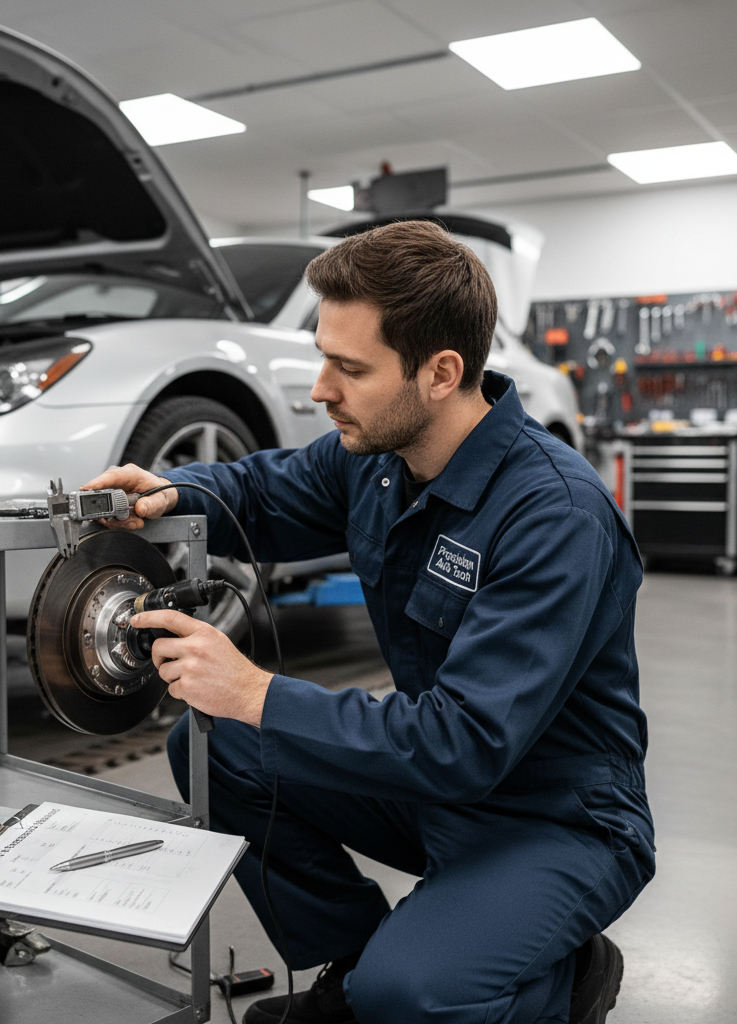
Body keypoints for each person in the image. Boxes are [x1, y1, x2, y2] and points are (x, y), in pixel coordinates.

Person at [84, 221, 655, 1024]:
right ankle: (351, 967)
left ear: (440, 372)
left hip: (556, 815)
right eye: (324, 357)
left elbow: (464, 743)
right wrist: (176, 490)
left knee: (414, 993)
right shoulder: (379, 461)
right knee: (214, 748)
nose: (321, 388)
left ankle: (564, 981)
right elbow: (262, 490)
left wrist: (256, 690)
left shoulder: (554, 516)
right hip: (440, 790)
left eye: (349, 368)